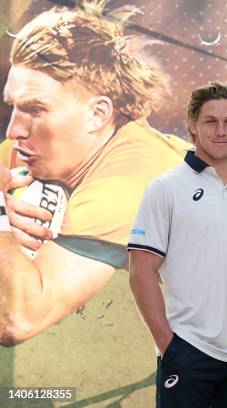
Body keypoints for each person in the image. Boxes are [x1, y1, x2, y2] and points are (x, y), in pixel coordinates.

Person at [0, 1, 192, 346]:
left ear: (97, 114)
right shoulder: (45, 145)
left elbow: (18, 319)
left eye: (34, 109)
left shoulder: (124, 186)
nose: (13, 130)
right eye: (12, 106)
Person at [128, 82, 227, 407]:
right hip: (190, 355)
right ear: (192, 125)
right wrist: (169, 345)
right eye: (210, 121)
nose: (220, 130)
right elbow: (141, 271)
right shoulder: (165, 188)